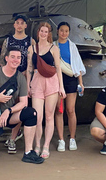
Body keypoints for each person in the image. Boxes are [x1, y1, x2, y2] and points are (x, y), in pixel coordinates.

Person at [0, 47, 44, 164]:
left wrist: (8, 111)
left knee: (31, 113)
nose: (16, 60)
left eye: (18, 57)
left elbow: (23, 103)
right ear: (6, 58)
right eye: (13, 57)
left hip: (7, 115)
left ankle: (28, 152)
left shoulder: (20, 78)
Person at [27, 22, 65, 159]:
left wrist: (61, 86)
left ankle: (46, 146)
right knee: (37, 117)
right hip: (37, 81)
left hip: (52, 81)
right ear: (38, 32)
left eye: (46, 31)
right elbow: (29, 68)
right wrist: (27, 85)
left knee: (49, 116)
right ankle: (37, 145)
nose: (43, 33)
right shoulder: (31, 48)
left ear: (48, 34)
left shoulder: (54, 49)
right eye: (41, 31)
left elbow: (58, 68)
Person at [0, 14, 35, 152]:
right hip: (9, 77)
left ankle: (13, 138)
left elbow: (32, 60)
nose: (19, 25)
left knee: (21, 106)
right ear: (14, 25)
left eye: (22, 23)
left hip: (24, 77)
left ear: (26, 25)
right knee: (10, 104)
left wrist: (28, 76)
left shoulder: (30, 41)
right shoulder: (8, 41)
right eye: (17, 23)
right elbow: (2, 58)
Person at [53, 21, 86, 152]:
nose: (64, 33)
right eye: (61, 30)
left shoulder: (72, 46)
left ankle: (72, 138)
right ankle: (61, 139)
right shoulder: (53, 46)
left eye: (66, 31)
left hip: (71, 79)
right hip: (56, 79)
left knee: (70, 110)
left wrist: (81, 82)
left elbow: (77, 65)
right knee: (59, 110)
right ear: (57, 31)